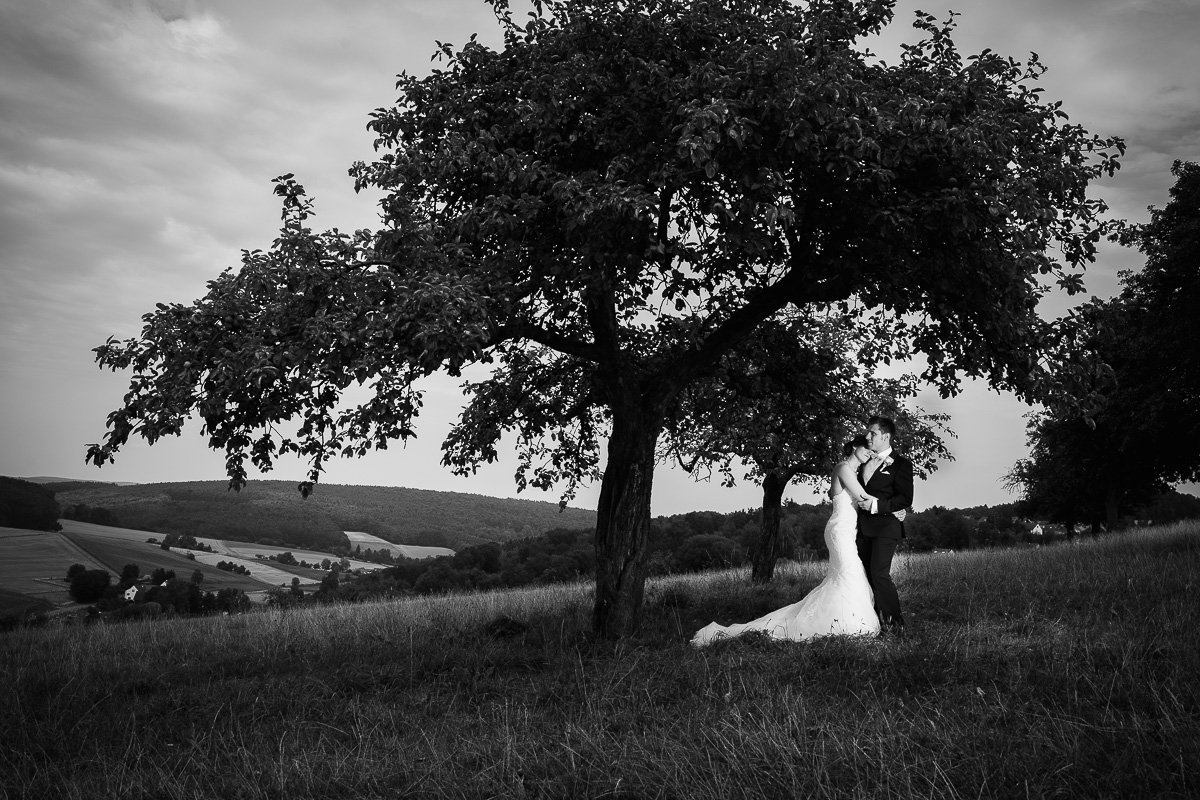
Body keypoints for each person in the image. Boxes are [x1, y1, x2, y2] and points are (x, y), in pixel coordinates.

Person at [690, 436, 881, 646]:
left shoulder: (850, 472)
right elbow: (863, 497)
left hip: (846, 529)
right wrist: (892, 506)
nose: (869, 452)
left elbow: (839, 493)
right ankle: (843, 622)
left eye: (872, 451)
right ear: (855, 446)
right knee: (848, 572)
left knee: (845, 574)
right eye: (866, 448)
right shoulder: (844, 468)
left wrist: (870, 468)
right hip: (840, 531)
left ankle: (847, 620)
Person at [855, 416, 913, 634]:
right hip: (860, 528)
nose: (868, 436)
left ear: (886, 436)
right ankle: (873, 622)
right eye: (868, 432)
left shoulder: (901, 464)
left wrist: (877, 505)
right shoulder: (861, 459)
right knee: (865, 575)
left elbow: (905, 498)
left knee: (879, 573)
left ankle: (896, 623)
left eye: (873, 433)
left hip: (886, 527)